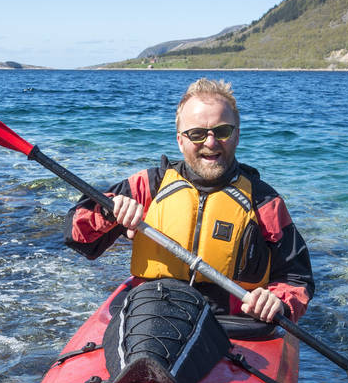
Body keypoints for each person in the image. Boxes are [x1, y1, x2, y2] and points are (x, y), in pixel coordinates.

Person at [66, 77, 313, 324]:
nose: (210, 143)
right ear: (180, 141)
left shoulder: (264, 201)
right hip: (153, 315)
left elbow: (297, 279)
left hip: (235, 325)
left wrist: (278, 301)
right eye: (196, 134)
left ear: (237, 136)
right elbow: (77, 235)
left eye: (222, 131)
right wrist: (110, 212)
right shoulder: (148, 185)